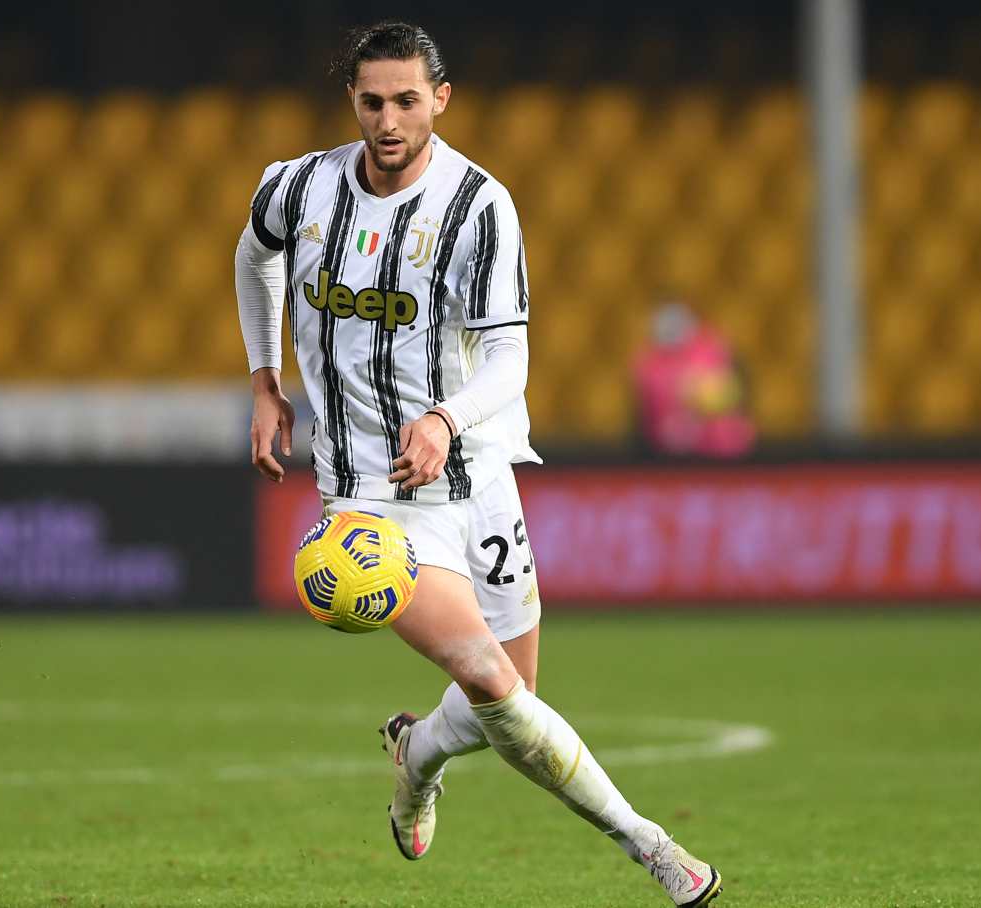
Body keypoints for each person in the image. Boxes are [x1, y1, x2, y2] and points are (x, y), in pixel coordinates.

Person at [234, 21, 721, 907]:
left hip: (479, 475)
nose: (389, 121)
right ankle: (653, 847)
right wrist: (265, 377)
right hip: (370, 501)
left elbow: (510, 359)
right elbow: (255, 249)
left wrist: (444, 420)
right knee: (495, 685)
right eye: (373, 101)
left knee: (514, 705)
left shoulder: (478, 205)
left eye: (407, 101)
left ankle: (416, 754)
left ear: (440, 100)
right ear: (354, 98)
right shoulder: (300, 187)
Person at [633, 301, 755, 458]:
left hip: (723, 451)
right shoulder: (646, 364)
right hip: (666, 455)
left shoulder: (713, 349)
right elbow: (645, 417)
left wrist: (701, 401)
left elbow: (736, 394)